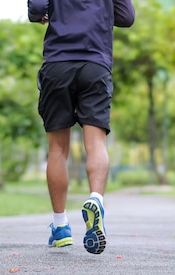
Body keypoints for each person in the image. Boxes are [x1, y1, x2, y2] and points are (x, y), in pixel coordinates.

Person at [27, 0, 135, 254]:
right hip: (95, 64)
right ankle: (95, 198)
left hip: (58, 64)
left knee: (57, 149)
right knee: (96, 143)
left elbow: (35, 10)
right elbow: (127, 16)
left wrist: (48, 13)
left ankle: (60, 226)